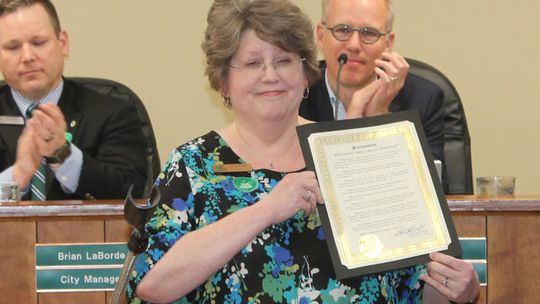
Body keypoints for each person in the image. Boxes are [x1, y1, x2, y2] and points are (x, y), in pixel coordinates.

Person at [128, 0, 478, 303]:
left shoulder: (353, 154)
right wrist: (265, 211)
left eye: (284, 61)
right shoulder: (192, 164)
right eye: (252, 63)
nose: (271, 76)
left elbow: (410, 289)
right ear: (223, 82)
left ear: (305, 72)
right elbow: (152, 284)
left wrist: (458, 290)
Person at [0, 0, 147, 199]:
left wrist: (63, 155)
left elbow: (131, 194)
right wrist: (18, 176)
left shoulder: (113, 112)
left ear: (63, 44)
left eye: (38, 43)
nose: (27, 56)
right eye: (13, 47)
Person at [299, 0, 448, 191]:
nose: (354, 45)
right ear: (320, 35)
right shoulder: (297, 93)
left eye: (369, 33)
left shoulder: (423, 98)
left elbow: (438, 193)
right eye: (342, 30)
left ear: (388, 43)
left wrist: (380, 118)